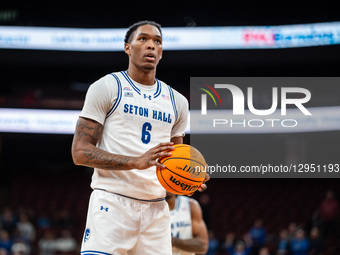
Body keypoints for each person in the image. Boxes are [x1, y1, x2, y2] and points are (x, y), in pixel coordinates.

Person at [71, 20, 209, 255]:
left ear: (162, 51)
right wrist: (136, 161)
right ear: (128, 47)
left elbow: (177, 158)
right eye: (143, 39)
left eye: (157, 41)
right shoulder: (107, 87)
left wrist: (187, 178)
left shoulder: (178, 102)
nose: (151, 46)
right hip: (112, 203)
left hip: (156, 211)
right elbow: (80, 152)